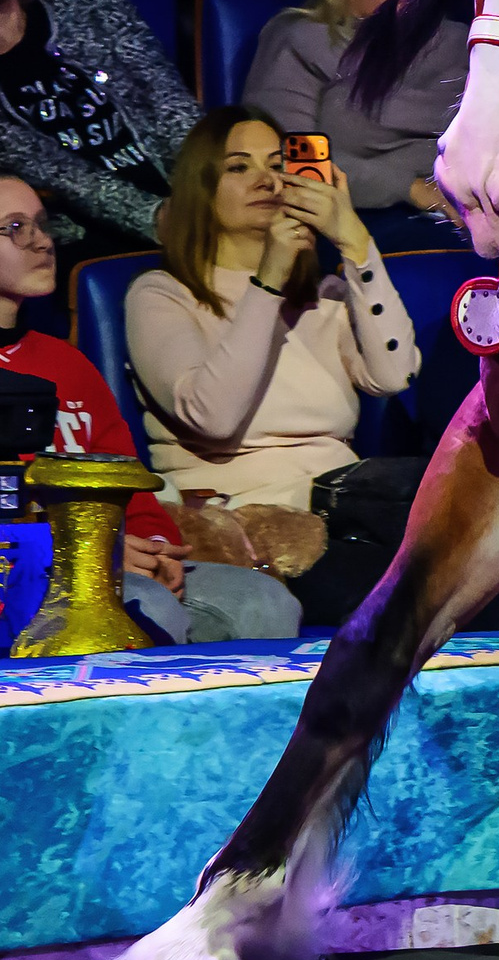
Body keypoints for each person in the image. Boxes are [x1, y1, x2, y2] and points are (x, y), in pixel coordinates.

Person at [125, 108, 418, 623]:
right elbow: (213, 417)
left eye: (278, 165)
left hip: (349, 503)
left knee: (464, 540)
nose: (266, 179)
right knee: (414, 577)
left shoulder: (326, 295)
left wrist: (356, 243)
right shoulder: (161, 294)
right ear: (201, 189)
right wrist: (269, 280)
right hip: (248, 525)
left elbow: (395, 375)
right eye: (239, 167)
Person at [0, 170, 298, 642]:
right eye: (16, 227)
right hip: (27, 570)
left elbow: (127, 480)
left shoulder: (66, 363)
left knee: (263, 600)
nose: (42, 242)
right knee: (149, 606)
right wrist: (99, 553)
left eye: (42, 224)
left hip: (111, 559)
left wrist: (157, 547)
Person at [245, 0, 461, 239]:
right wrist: (409, 189)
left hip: (466, 219)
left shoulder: (464, 43)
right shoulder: (301, 39)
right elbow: (290, 159)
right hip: (347, 227)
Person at [0, 0, 195, 252]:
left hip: (193, 206)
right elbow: (62, 176)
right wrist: (161, 219)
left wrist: (213, 183)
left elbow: (169, 101)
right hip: (85, 244)